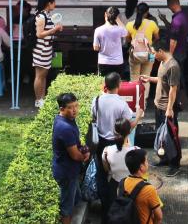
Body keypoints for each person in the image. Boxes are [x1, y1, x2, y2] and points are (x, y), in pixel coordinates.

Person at [92, 72, 139, 220]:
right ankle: (119, 207)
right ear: (119, 85)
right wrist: (139, 116)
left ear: (105, 85)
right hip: (115, 143)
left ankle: (105, 205)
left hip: (100, 143)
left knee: (101, 173)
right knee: (118, 175)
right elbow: (128, 126)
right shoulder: (121, 103)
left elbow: (93, 117)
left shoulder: (97, 100)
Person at [141, 39, 181, 175]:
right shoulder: (163, 63)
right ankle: (164, 159)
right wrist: (149, 78)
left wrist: (169, 109)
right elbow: (162, 79)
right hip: (158, 106)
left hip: (166, 108)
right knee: (161, 136)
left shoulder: (173, 66)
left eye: (153, 53)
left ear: (161, 51)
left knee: (171, 137)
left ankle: (175, 164)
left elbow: (173, 89)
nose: (153, 55)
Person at [52, 92, 91, 224]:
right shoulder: (65, 128)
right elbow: (75, 155)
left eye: (76, 106)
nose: (75, 110)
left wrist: (82, 148)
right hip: (67, 172)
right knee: (66, 208)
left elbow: (74, 144)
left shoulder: (64, 119)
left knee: (76, 198)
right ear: (61, 109)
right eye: (70, 107)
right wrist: (84, 156)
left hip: (69, 170)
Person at [33, 0, 63, 108]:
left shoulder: (46, 15)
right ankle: (38, 99)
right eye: (53, 2)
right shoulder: (41, 16)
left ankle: (42, 97)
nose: (55, 4)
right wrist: (54, 29)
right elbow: (39, 34)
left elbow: (47, 31)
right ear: (48, 3)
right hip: (41, 49)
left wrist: (56, 29)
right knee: (39, 75)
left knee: (43, 75)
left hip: (47, 49)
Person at [121, 148, 163, 224]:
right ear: (141, 167)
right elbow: (159, 217)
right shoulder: (149, 189)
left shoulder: (122, 183)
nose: (148, 163)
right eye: (146, 161)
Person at [127, 2, 159, 96]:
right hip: (150, 54)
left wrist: (134, 42)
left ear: (136, 11)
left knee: (134, 78)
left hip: (135, 54)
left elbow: (127, 39)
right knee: (146, 77)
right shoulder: (152, 23)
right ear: (147, 12)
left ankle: (135, 100)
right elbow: (157, 37)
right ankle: (143, 101)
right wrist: (149, 44)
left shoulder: (129, 24)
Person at [94, 6, 129, 76]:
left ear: (105, 14)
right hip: (117, 62)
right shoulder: (119, 29)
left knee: (103, 81)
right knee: (116, 82)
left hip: (103, 61)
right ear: (116, 17)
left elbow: (96, 48)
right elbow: (126, 33)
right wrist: (118, 19)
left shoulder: (98, 30)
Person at [102, 117, 137, 186]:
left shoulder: (106, 151)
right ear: (129, 131)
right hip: (132, 187)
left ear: (114, 132)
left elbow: (107, 169)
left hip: (114, 185)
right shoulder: (136, 150)